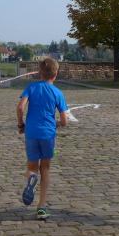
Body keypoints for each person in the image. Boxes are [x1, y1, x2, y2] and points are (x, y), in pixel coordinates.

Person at [17, 57, 69, 220]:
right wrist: (58, 123)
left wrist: (21, 124)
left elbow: (20, 107)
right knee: (45, 168)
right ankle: (41, 207)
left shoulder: (31, 87)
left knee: (32, 166)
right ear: (56, 73)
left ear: (40, 72)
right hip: (48, 133)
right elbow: (64, 120)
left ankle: (31, 178)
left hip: (32, 132)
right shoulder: (58, 93)